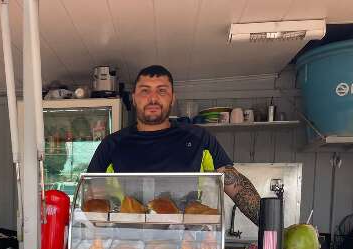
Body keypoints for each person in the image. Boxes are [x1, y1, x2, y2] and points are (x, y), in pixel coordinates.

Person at [87, 65, 261, 225]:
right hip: (127, 247)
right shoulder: (111, 145)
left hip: (187, 247)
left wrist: (271, 228)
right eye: (145, 91)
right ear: (134, 98)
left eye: (161, 91)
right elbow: (91, 201)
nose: (153, 98)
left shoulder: (199, 139)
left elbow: (238, 188)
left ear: (172, 98)